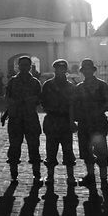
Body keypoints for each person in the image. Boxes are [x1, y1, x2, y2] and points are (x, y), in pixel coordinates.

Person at [73, 58, 108, 193]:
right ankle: (90, 176)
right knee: (86, 151)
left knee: (101, 152)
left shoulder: (102, 85)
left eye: (89, 69)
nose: (87, 71)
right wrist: (77, 116)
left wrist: (98, 111)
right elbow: (75, 105)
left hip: (98, 123)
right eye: (84, 69)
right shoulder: (79, 88)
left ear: (93, 70)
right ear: (82, 71)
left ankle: (103, 178)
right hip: (84, 124)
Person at [39, 59, 77, 196]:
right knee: (51, 149)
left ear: (65, 70)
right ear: (54, 69)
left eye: (63, 68)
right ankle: (50, 176)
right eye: (58, 68)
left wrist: (72, 121)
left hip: (66, 120)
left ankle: (70, 176)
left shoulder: (71, 86)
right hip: (52, 120)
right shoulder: (48, 85)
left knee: (68, 150)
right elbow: (43, 102)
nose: (60, 71)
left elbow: (73, 105)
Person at [4, 55, 43, 184]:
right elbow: (8, 98)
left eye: (27, 65)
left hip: (30, 118)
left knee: (34, 146)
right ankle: (13, 173)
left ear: (30, 66)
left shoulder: (35, 82)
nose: (24, 67)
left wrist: (30, 100)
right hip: (15, 119)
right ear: (18, 66)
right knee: (14, 146)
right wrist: (7, 113)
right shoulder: (12, 81)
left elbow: (40, 99)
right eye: (22, 65)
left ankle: (36, 173)